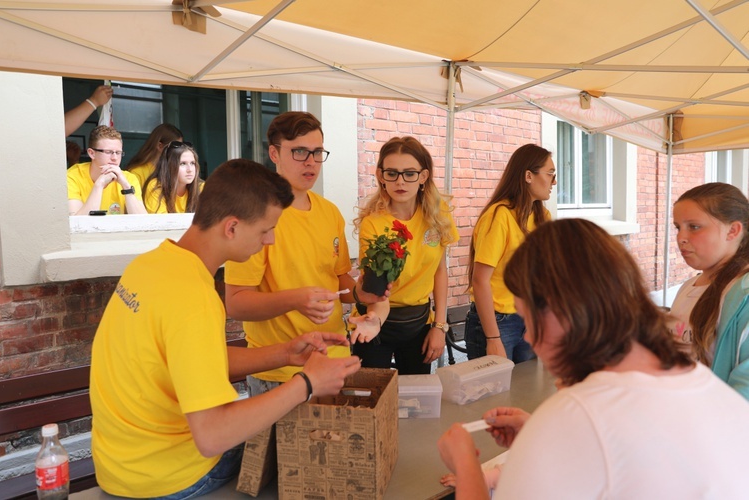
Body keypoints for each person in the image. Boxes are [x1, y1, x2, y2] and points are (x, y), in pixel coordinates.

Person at [89, 159, 361, 498]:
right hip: (170, 478)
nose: (271, 240)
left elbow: (191, 362)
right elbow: (212, 436)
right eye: (266, 230)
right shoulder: (194, 298)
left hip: (117, 468)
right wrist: (306, 383)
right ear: (231, 228)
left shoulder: (149, 265)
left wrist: (285, 353)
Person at [437, 218, 749, 499]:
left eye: (527, 320)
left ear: (562, 312)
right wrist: (544, 437)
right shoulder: (703, 383)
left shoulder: (578, 413)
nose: (528, 338)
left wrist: (466, 468)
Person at [224, 111, 384, 395]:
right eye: (299, 152)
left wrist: (361, 294)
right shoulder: (255, 213)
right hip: (278, 372)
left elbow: (338, 282)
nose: (310, 162)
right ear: (274, 153)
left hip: (332, 360)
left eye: (317, 152)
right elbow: (236, 304)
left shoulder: (329, 212)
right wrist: (296, 300)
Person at [351, 136, 458, 373]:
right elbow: (377, 289)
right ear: (381, 176)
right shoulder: (374, 224)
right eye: (392, 173)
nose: (400, 181)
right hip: (376, 320)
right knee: (373, 403)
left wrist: (439, 327)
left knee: (416, 403)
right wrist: (375, 321)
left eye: (409, 173)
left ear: (423, 176)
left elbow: (440, 271)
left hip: (418, 323)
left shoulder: (438, 214)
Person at [464, 143, 554, 362]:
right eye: (550, 174)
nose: (555, 182)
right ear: (528, 176)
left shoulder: (543, 216)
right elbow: (480, 280)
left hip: (528, 320)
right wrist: (493, 338)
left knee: (526, 394)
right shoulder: (499, 216)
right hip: (496, 323)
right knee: (493, 396)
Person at [670, 182, 749, 398]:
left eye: (694, 227)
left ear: (732, 230)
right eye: (678, 227)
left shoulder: (743, 295)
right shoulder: (687, 287)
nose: (681, 237)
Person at [67, 125, 147, 215]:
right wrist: (99, 185)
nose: (114, 158)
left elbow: (143, 222)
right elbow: (78, 223)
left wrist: (126, 187)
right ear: (92, 153)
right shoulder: (73, 175)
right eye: (108, 152)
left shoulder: (128, 178)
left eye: (118, 152)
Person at [143, 140, 203, 214]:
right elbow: (161, 223)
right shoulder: (156, 186)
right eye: (183, 164)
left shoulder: (201, 187)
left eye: (192, 163)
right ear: (169, 166)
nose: (190, 169)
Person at [126, 123, 184, 189]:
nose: (179, 151)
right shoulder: (137, 172)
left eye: (180, 147)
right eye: (175, 146)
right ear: (160, 146)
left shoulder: (174, 169)